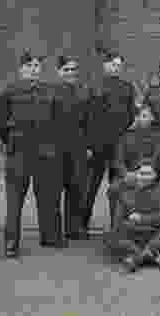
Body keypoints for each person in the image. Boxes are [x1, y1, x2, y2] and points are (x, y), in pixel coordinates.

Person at [0, 51, 65, 257]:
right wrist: (12, 141)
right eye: (30, 66)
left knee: (47, 196)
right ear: (21, 68)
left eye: (37, 66)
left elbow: (57, 121)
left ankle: (49, 236)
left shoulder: (49, 91)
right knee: (15, 199)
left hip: (45, 152)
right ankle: (11, 243)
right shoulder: (10, 91)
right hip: (19, 152)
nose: (34, 70)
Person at [86, 50, 137, 231]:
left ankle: (116, 225)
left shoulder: (127, 87)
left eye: (119, 65)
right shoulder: (93, 86)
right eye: (113, 64)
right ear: (105, 65)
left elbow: (132, 117)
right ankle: (82, 224)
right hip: (97, 145)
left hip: (119, 146)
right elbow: (87, 118)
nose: (116, 68)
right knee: (90, 186)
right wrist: (88, 145)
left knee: (117, 188)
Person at [105, 159, 160, 273]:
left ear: (155, 176)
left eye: (148, 174)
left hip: (155, 232)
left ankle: (137, 257)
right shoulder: (125, 192)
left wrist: (142, 218)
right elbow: (118, 222)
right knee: (110, 235)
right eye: (141, 174)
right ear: (136, 174)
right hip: (133, 233)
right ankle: (149, 255)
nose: (144, 177)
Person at [53, 55, 94, 240]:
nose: (70, 73)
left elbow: (89, 121)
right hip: (57, 146)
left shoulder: (83, 92)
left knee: (77, 188)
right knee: (55, 189)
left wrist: (88, 145)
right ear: (59, 72)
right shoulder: (51, 92)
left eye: (73, 69)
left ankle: (74, 228)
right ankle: (54, 230)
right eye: (66, 70)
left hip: (78, 146)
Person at [110, 104, 160, 229]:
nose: (144, 119)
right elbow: (118, 160)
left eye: (147, 116)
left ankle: (146, 223)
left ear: (153, 118)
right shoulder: (126, 136)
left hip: (151, 174)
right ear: (137, 117)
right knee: (114, 189)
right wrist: (125, 173)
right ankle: (116, 228)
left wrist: (142, 173)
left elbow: (157, 158)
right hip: (129, 174)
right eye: (142, 116)